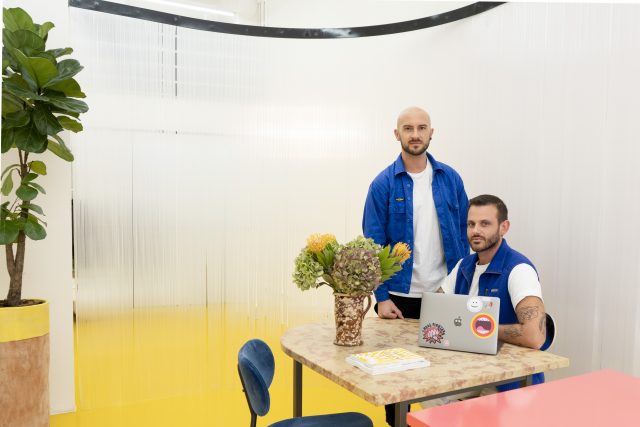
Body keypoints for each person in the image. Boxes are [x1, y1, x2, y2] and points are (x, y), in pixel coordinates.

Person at [363, 106, 469, 425]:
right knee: (398, 382)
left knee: (445, 375)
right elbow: (372, 247)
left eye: (422, 128)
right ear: (397, 134)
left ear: (431, 133)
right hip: (399, 299)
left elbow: (464, 235)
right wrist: (382, 297)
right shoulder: (383, 184)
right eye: (408, 128)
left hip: (443, 294)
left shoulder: (450, 179)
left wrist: (463, 287)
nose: (415, 134)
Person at [439, 194, 547, 391]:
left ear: (504, 227)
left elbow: (535, 336)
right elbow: (436, 309)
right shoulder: (464, 265)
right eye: (471, 224)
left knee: (436, 403)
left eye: (485, 224)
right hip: (468, 371)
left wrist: (476, 328)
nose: (476, 231)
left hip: (509, 382)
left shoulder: (519, 270)